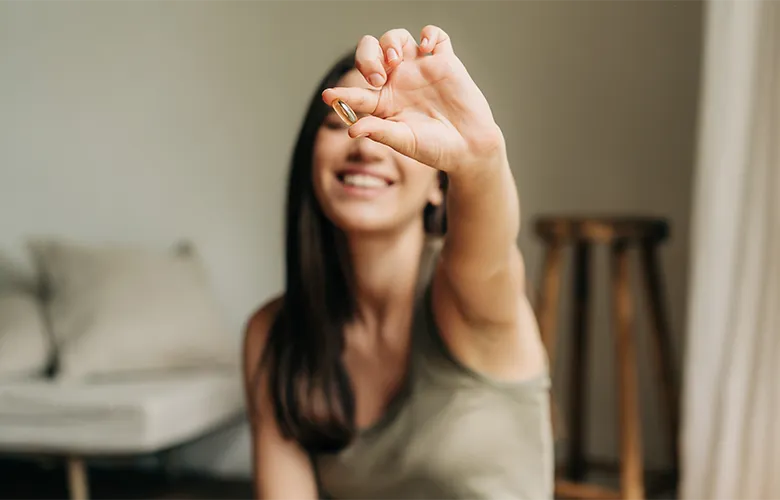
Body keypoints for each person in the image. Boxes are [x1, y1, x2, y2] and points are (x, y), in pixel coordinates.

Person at [243, 25, 553, 500]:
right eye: (340, 122)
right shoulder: (276, 335)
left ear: (438, 187)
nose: (365, 144)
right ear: (311, 161)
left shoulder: (466, 295)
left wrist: (478, 158)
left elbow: (490, 253)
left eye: (393, 132)